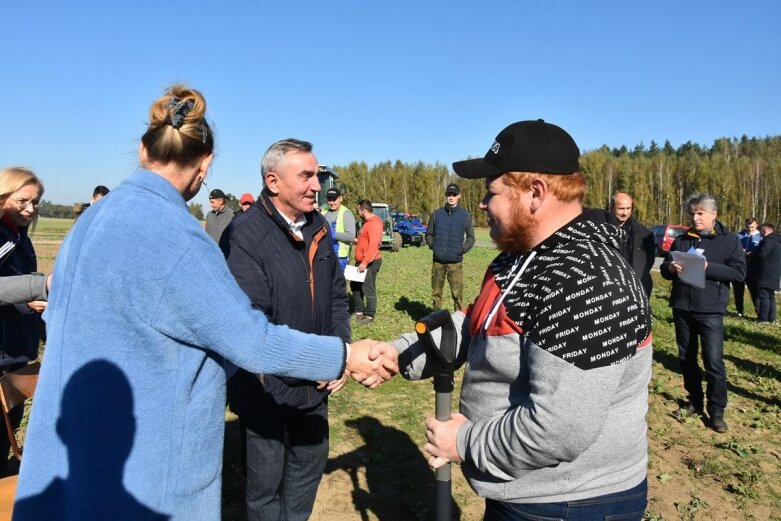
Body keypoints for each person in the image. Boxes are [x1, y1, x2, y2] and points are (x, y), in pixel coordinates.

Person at [13, 85, 396, 520]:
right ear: (206, 165)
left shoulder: (91, 220)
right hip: (146, 478)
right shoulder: (177, 235)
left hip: (74, 464)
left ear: (143, 151)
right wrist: (344, 355)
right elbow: (251, 340)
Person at [364, 120, 653, 520]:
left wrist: (463, 442)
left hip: (570, 502)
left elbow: (559, 428)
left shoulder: (584, 280)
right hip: (525, 490)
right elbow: (477, 322)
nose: (481, 204)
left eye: (491, 192)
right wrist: (400, 354)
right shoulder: (521, 255)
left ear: (535, 193)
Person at [221, 138, 350, 521]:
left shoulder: (320, 227)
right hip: (266, 389)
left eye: (318, 176)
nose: (317, 185)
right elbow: (252, 321)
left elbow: (337, 297)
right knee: (265, 488)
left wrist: (339, 351)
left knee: (308, 469)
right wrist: (322, 360)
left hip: (317, 387)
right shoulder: (244, 234)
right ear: (273, 182)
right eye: (306, 176)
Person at [660, 192, 745, 433]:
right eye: (692, 214)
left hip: (710, 309)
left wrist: (709, 268)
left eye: (700, 213)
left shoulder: (729, 241)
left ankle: (716, 411)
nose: (695, 218)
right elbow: (666, 267)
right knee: (686, 358)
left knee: (713, 362)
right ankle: (694, 402)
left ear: (713, 214)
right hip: (683, 307)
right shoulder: (684, 239)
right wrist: (670, 267)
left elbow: (739, 273)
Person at [425, 183, 475, 311]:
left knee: (457, 294)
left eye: (453, 195)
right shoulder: (436, 214)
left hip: (455, 263)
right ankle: (435, 317)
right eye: (448, 194)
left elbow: (471, 238)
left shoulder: (465, 216)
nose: (451, 197)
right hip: (438, 262)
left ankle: (458, 318)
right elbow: (429, 234)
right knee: (436, 293)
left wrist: (462, 250)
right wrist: (433, 246)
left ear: (459, 196)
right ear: (446, 196)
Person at [607, 192, 655, 297]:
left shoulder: (644, 233)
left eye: (628, 208)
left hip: (636, 289)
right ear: (611, 207)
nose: (625, 213)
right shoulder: (601, 230)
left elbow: (649, 261)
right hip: (609, 288)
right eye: (621, 208)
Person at [351, 200, 382, 325]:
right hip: (362, 260)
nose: (357, 212)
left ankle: (369, 315)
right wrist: (358, 241)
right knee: (355, 286)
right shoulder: (366, 223)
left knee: (368, 288)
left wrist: (365, 262)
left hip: (370, 262)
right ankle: (359, 310)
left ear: (363, 210)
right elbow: (367, 240)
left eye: (358, 210)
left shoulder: (374, 224)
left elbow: (373, 246)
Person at [321, 187, 356, 271]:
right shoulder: (324, 211)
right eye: (329, 199)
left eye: (334, 199)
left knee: (337, 283)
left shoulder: (346, 213)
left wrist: (334, 234)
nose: (331, 202)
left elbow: (351, 236)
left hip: (339, 257)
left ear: (340, 198)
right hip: (324, 254)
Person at [734, 217, 762, 317]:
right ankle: (739, 311)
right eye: (747, 227)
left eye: (752, 227)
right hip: (739, 267)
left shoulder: (760, 237)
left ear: (756, 225)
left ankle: (759, 313)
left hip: (753, 268)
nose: (749, 229)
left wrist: (753, 254)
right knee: (738, 291)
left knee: (754, 291)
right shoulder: (739, 235)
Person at [755, 223, 781, 323]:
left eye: (760, 232)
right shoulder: (777, 240)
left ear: (764, 231)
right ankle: (772, 318)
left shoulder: (767, 241)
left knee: (764, 296)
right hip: (775, 271)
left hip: (765, 271)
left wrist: (753, 254)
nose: (760, 234)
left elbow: (762, 255)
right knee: (771, 296)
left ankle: (763, 318)